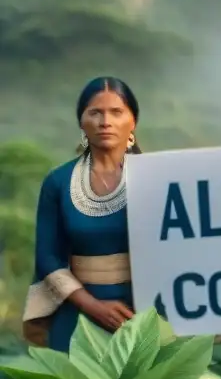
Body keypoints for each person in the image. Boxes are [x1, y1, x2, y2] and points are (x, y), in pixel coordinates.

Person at [22, 77, 141, 352]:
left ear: (133, 121)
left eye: (116, 112)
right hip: (77, 318)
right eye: (95, 112)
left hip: (143, 315)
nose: (105, 121)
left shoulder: (157, 178)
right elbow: (47, 257)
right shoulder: (58, 182)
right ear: (81, 121)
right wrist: (93, 307)